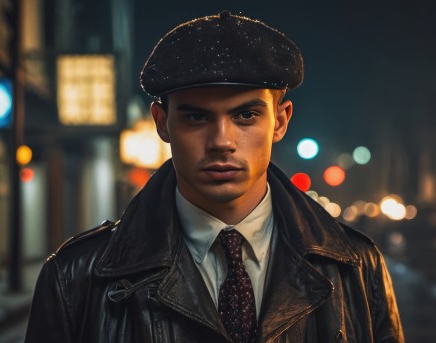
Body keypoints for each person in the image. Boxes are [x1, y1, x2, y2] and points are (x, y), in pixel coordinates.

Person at [25, 11, 404, 343]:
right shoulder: (74, 278)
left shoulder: (356, 265)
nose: (222, 142)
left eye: (246, 116)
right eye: (196, 117)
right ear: (162, 123)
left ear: (281, 120)